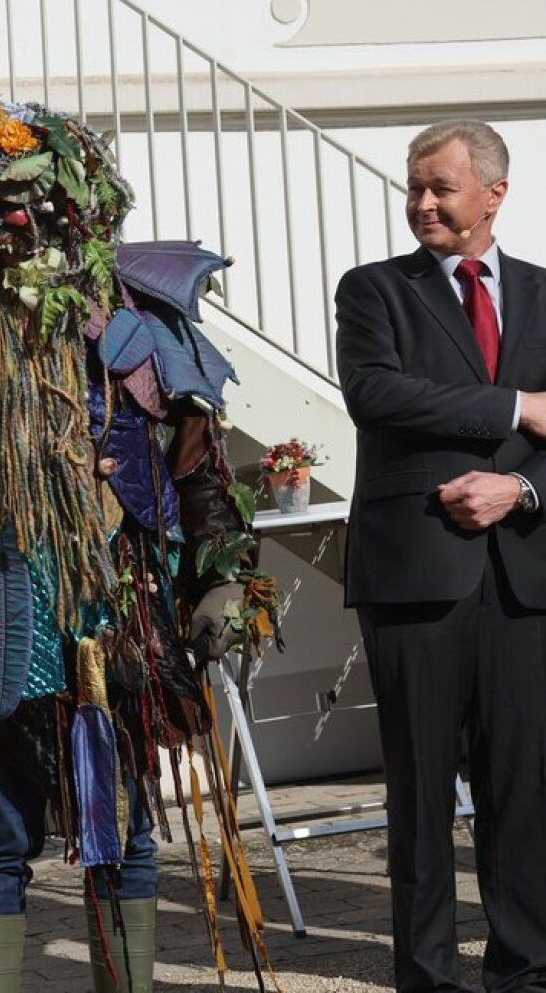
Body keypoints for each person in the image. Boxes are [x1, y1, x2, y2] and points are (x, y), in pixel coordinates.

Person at [0, 99, 278, 991]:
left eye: (27, 207)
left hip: (119, 615)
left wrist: (221, 580)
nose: (6, 229)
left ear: (77, 214)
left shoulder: (141, 331)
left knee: (121, 827)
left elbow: (200, 470)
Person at [336, 119, 546, 991]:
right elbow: (376, 394)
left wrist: (522, 488)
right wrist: (517, 409)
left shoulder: (545, 293)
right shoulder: (375, 290)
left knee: (525, 789)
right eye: (414, 187)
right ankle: (426, 977)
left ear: (494, 194)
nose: (422, 203)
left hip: (526, 574)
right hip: (415, 573)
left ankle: (527, 970)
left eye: (440, 188)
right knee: (421, 794)